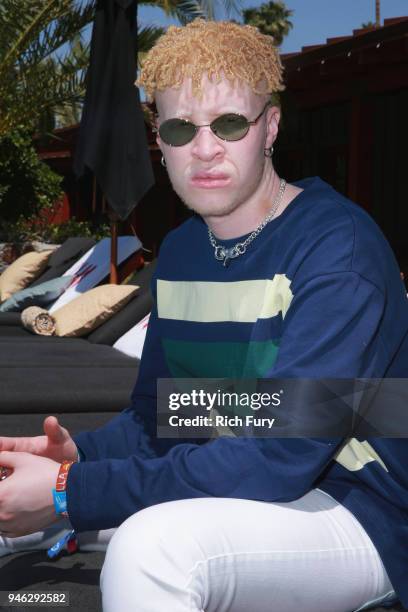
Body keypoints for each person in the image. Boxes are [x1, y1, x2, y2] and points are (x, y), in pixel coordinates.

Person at [0, 19, 407, 612]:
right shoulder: (186, 251)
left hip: (361, 507)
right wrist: (77, 458)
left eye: (230, 124)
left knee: (156, 549)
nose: (206, 148)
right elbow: (163, 415)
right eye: (180, 127)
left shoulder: (337, 252)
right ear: (158, 141)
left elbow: (281, 454)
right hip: (237, 483)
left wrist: (70, 493)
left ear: (269, 127)